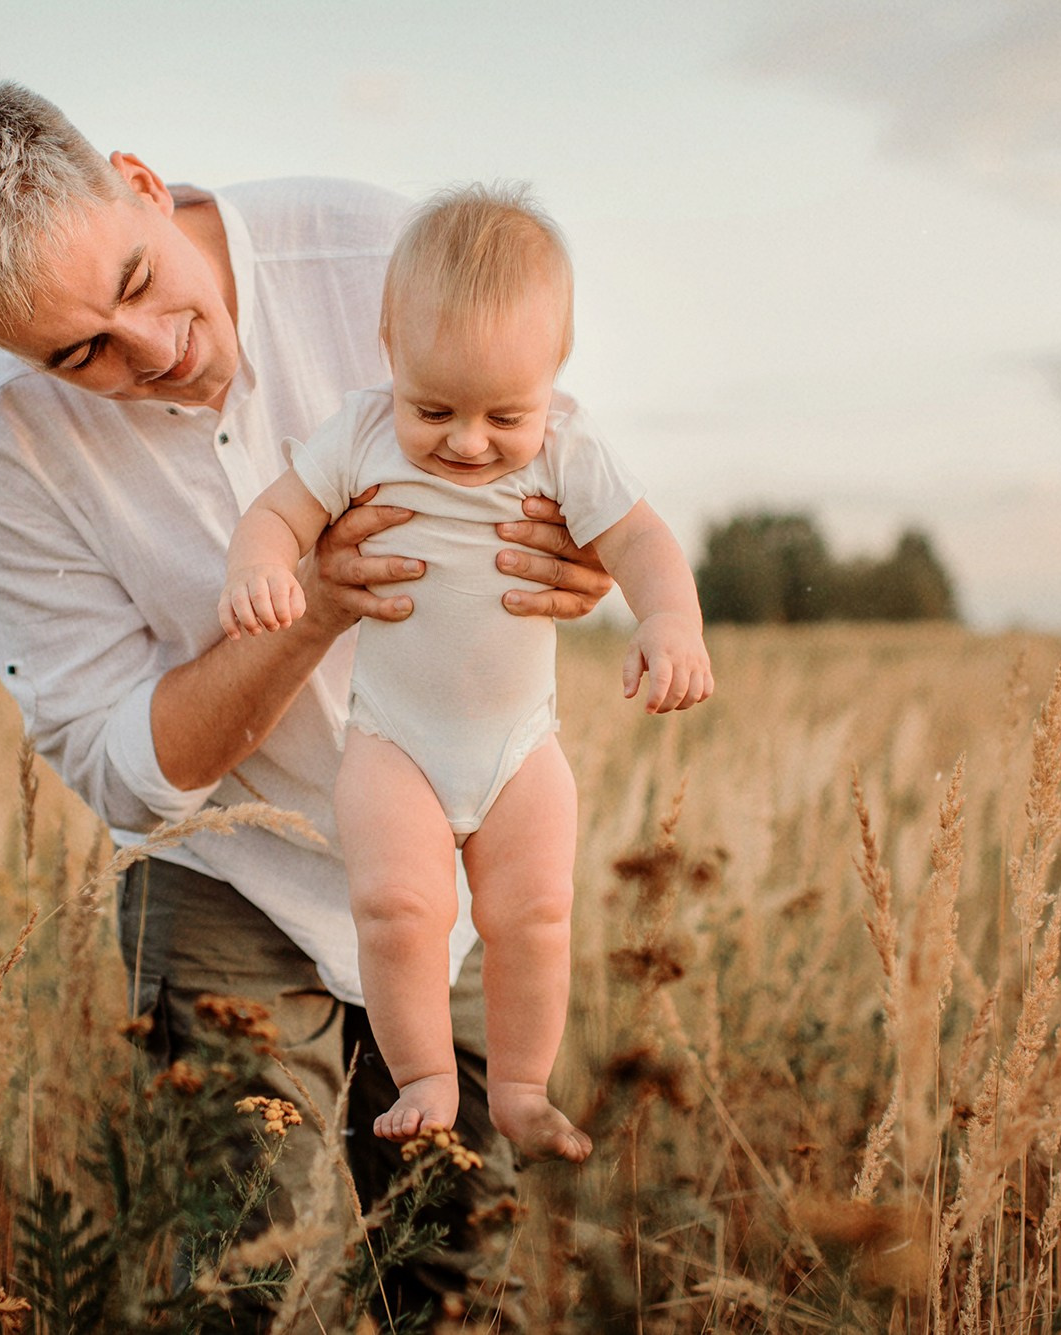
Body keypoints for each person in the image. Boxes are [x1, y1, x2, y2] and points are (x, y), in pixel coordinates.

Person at [0, 77, 615, 1316]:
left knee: (457, 1262)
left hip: (457, 838)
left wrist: (578, 559)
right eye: (79, 353)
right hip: (226, 881)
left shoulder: (380, 249)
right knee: (245, 1284)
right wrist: (310, 608)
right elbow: (119, 765)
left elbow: (552, 456)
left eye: (132, 281)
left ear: (141, 182)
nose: (154, 348)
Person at [218, 185, 712, 1166]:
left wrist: (668, 621)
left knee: (533, 914)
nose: (469, 441)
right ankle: (427, 1079)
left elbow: (644, 541)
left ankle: (522, 1088)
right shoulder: (356, 434)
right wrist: (260, 566)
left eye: (505, 414)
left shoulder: (568, 450)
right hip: (393, 743)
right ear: (388, 345)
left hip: (519, 747)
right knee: (398, 910)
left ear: (552, 375)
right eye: (433, 408)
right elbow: (276, 514)